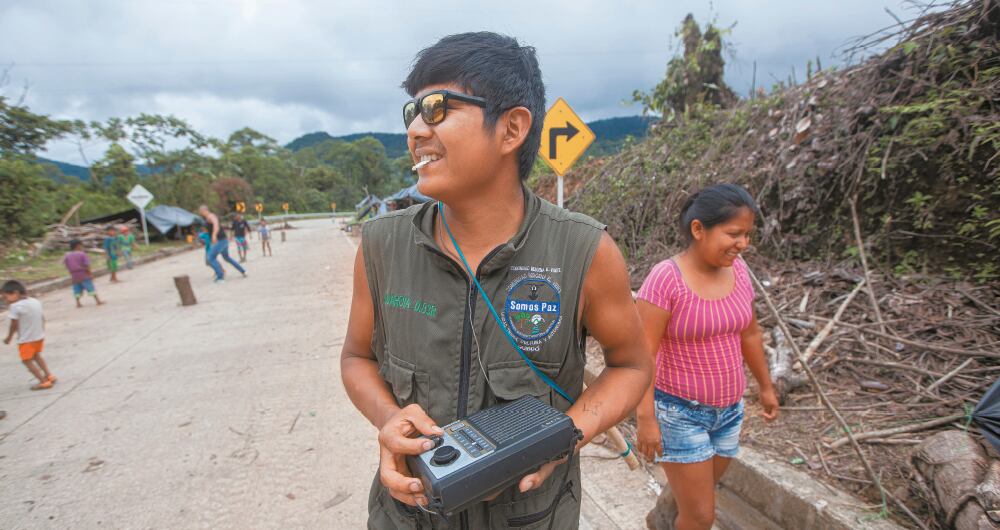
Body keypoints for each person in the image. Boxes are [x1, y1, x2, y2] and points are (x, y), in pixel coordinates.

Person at [340, 32, 651, 529]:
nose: (417, 130)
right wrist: (386, 419)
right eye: (412, 113)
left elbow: (631, 367)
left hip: (533, 517)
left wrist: (567, 434)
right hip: (409, 516)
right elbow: (357, 358)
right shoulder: (380, 246)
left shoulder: (585, 252)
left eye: (438, 108)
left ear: (511, 129)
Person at [633, 184, 779, 530]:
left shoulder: (739, 271)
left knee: (699, 494)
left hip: (730, 411)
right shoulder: (666, 279)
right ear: (699, 229)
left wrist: (766, 387)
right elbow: (640, 355)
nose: (743, 244)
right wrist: (646, 418)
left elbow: (750, 333)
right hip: (679, 414)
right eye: (733, 234)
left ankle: (662, 520)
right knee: (701, 516)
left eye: (747, 234)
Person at [2, 280, 57, 390]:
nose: (5, 300)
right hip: (38, 336)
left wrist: (9, 338)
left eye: (5, 297)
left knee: (26, 360)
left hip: (26, 339)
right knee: (36, 356)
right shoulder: (35, 301)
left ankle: (43, 381)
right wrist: (41, 330)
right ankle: (49, 375)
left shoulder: (15, 307)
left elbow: (14, 324)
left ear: (15, 293)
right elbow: (42, 318)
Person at [198, 205, 246, 283]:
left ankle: (220, 277)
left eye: (200, 211)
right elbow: (209, 229)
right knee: (227, 258)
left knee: (210, 258)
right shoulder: (207, 218)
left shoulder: (211, 216)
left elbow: (216, 225)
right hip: (223, 240)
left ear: (204, 210)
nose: (200, 213)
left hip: (220, 240)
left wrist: (214, 235)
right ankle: (243, 271)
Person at [63, 239, 103, 307]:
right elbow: (87, 265)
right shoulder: (82, 254)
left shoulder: (67, 255)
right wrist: (90, 274)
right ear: (78, 246)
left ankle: (78, 303)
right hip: (83, 273)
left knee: (77, 288)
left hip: (74, 275)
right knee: (90, 287)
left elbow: (67, 265)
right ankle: (97, 301)